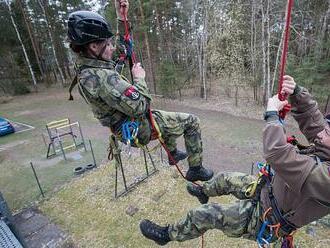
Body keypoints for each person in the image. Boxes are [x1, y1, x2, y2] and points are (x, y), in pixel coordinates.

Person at [139, 75, 330, 246]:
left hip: (265, 218)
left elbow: (277, 154)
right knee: (224, 179)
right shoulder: (326, 141)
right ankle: (203, 191)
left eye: (327, 131)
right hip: (268, 189)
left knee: (205, 215)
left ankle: (166, 235)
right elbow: (316, 123)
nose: (321, 131)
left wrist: (272, 116)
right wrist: (296, 93)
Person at [66, 0, 213, 182]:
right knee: (191, 122)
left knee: (166, 119)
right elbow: (140, 106)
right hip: (138, 128)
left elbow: (121, 52)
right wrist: (139, 78)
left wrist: (122, 18)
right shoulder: (103, 78)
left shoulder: (88, 67)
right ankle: (196, 169)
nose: (112, 47)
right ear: (94, 46)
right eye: (108, 43)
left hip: (125, 125)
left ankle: (172, 153)